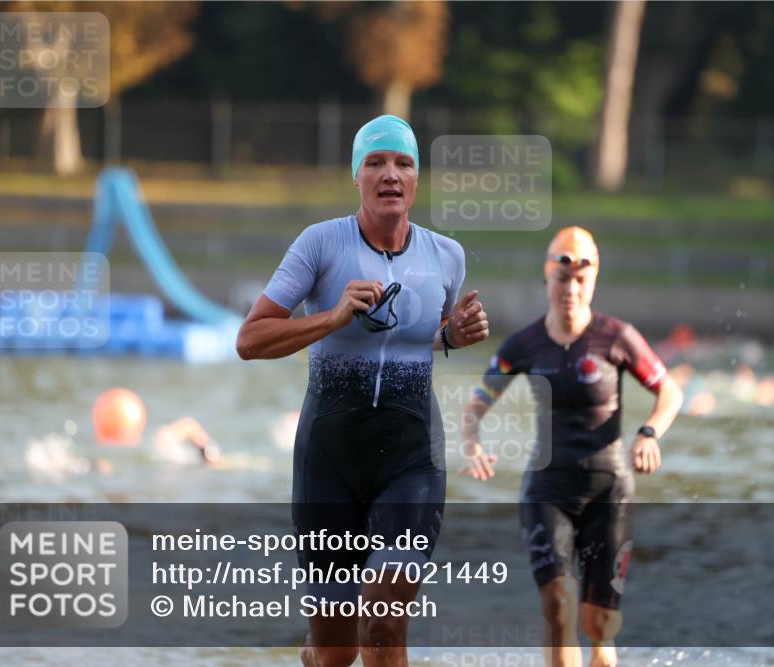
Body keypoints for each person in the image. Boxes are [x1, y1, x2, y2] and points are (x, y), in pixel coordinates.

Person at [236, 114, 489, 667]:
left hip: (411, 459)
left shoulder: (447, 255)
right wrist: (332, 316)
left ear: (418, 177)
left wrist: (452, 336)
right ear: (356, 176)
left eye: (402, 163)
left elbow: (419, 340)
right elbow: (250, 340)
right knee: (336, 653)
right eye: (374, 163)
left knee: (382, 623)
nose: (389, 174)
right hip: (329, 460)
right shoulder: (320, 244)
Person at [460, 226, 682, 667]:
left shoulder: (617, 336)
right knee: (558, 605)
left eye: (582, 279)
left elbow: (670, 393)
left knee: (599, 626)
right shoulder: (524, 345)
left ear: (594, 280)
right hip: (548, 490)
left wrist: (650, 432)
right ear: (548, 278)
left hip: (609, 492)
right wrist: (471, 445)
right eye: (563, 279)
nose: (571, 289)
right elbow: (476, 406)